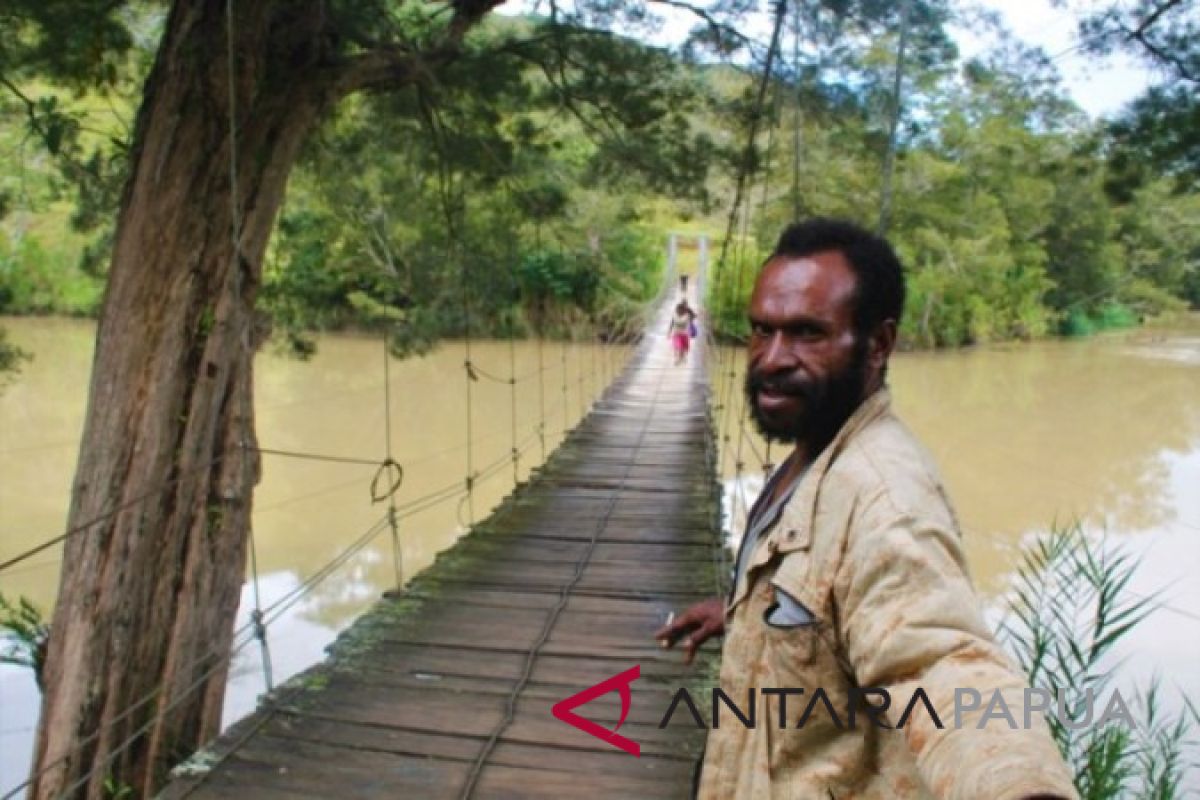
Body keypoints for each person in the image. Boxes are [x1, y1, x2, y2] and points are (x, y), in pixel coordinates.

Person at [655, 219, 1076, 800]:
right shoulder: (817, 445)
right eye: (760, 330)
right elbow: (826, 586)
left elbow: (939, 664)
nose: (772, 358)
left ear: (877, 345)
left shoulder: (887, 498)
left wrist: (1021, 790)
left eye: (807, 333)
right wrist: (748, 608)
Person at [667, 299, 696, 365]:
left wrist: (669, 332)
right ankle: (681, 358)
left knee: (678, 347)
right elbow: (693, 317)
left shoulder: (676, 314)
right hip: (683, 333)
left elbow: (672, 323)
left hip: (678, 333)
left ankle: (678, 358)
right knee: (682, 347)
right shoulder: (687, 313)